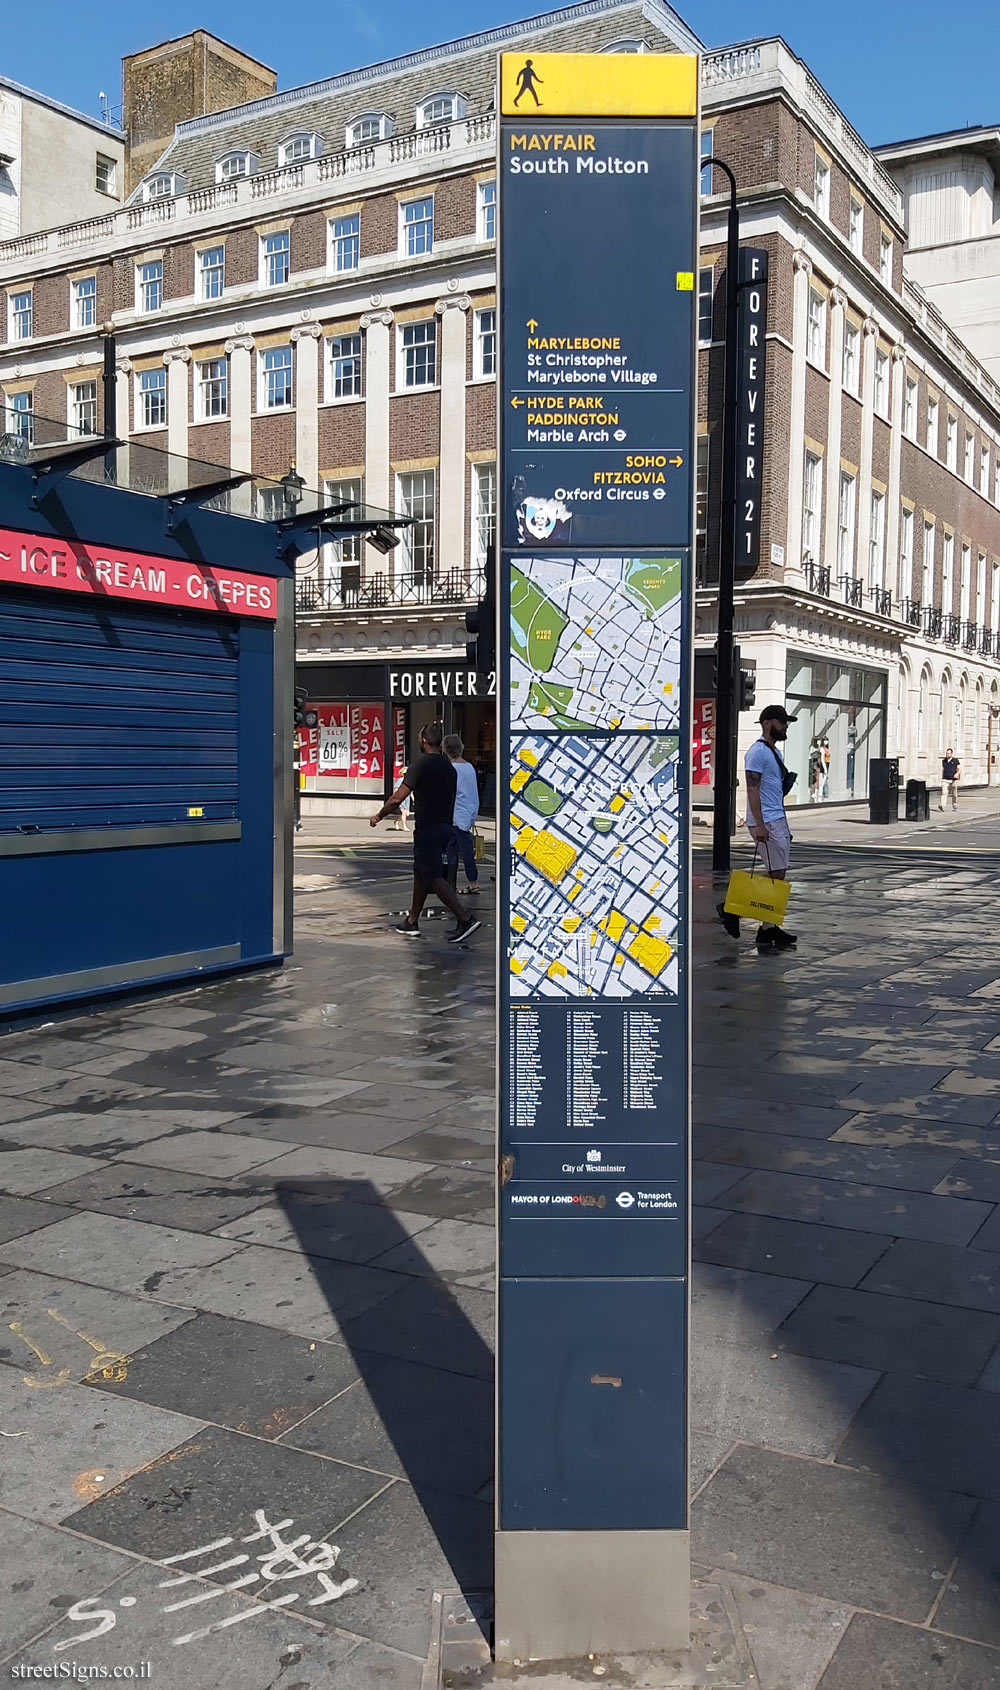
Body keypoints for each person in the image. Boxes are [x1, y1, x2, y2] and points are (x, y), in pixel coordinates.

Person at [371, 721, 482, 943]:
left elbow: (397, 798)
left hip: (428, 828)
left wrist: (379, 816)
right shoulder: (449, 767)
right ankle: (411, 921)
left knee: (432, 876)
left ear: (423, 741)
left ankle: (465, 919)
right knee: (421, 873)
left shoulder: (420, 766)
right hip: (445, 826)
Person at [717, 704, 798, 952]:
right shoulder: (757, 753)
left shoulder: (775, 753)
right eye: (782, 722)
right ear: (767, 723)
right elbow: (752, 789)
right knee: (777, 873)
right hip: (766, 821)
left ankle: (768, 928)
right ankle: (730, 907)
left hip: (776, 819)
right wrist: (760, 825)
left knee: (778, 874)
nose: (785, 727)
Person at [443, 733, 480, 894]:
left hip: (456, 815)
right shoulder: (469, 767)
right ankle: (454, 883)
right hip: (468, 812)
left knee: (462, 851)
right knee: (454, 848)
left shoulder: (451, 769)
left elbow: (449, 792)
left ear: (445, 750)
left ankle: (471, 882)